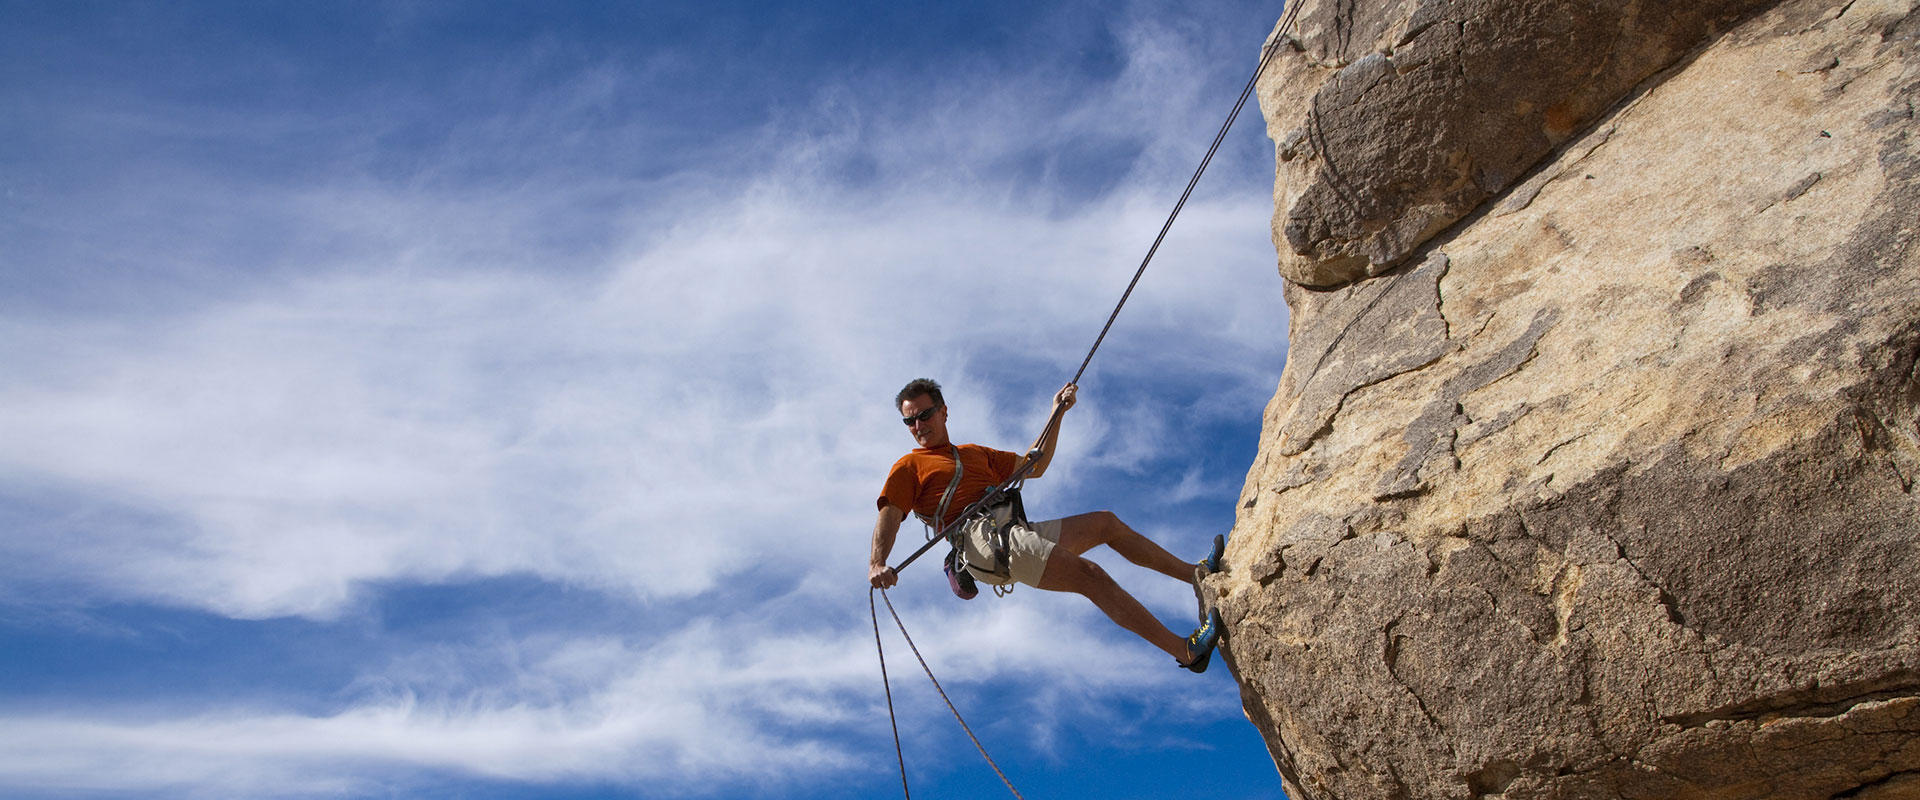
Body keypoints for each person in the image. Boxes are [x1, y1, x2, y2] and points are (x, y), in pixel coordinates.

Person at [867, 377, 1225, 672]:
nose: (918, 426)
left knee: (1105, 524)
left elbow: (1032, 464)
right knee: (1091, 576)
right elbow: (890, 514)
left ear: (943, 412)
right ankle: (1186, 650)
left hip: (1013, 530)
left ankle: (1194, 574)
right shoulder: (909, 467)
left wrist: (1057, 413)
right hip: (983, 541)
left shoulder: (976, 454)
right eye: (909, 421)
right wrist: (877, 563)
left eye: (924, 415)